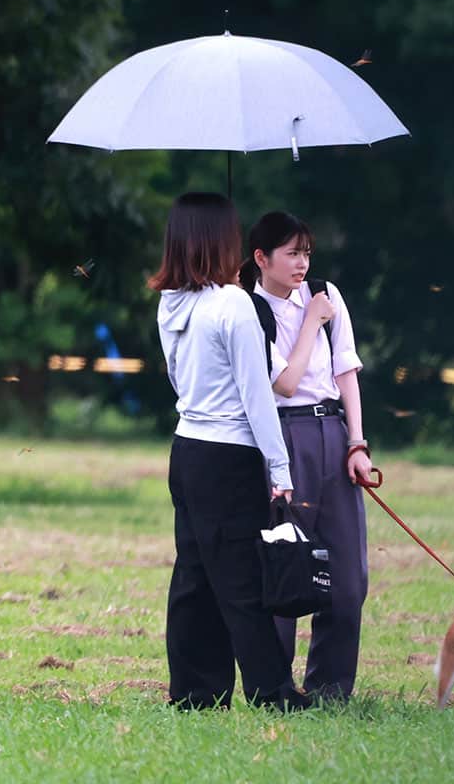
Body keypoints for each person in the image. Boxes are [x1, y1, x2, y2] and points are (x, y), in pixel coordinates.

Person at [150, 193, 309, 712]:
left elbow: (178, 378)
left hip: (187, 449)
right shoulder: (234, 304)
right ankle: (273, 691)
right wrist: (280, 466)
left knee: (194, 575)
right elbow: (256, 396)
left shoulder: (172, 301)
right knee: (242, 579)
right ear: (222, 240)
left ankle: (197, 691)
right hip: (229, 454)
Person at [243, 211, 372, 703]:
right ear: (262, 258)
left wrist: (356, 443)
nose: (302, 263)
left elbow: (347, 372)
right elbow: (285, 383)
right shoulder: (250, 310)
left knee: (348, 573)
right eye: (292, 253)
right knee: (284, 561)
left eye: (306, 253)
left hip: (331, 432)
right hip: (282, 435)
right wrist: (310, 323)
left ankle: (330, 687)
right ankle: (276, 688)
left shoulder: (325, 292)